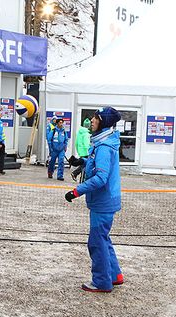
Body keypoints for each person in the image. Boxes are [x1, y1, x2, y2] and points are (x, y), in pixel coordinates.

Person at [64, 106, 123, 293]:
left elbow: (100, 178)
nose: (92, 121)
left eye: (96, 118)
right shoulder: (102, 142)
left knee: (96, 242)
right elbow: (95, 165)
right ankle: (115, 275)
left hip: (103, 202)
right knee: (103, 239)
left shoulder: (104, 147)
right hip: (104, 201)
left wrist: (76, 191)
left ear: (103, 122)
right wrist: (81, 162)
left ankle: (101, 282)